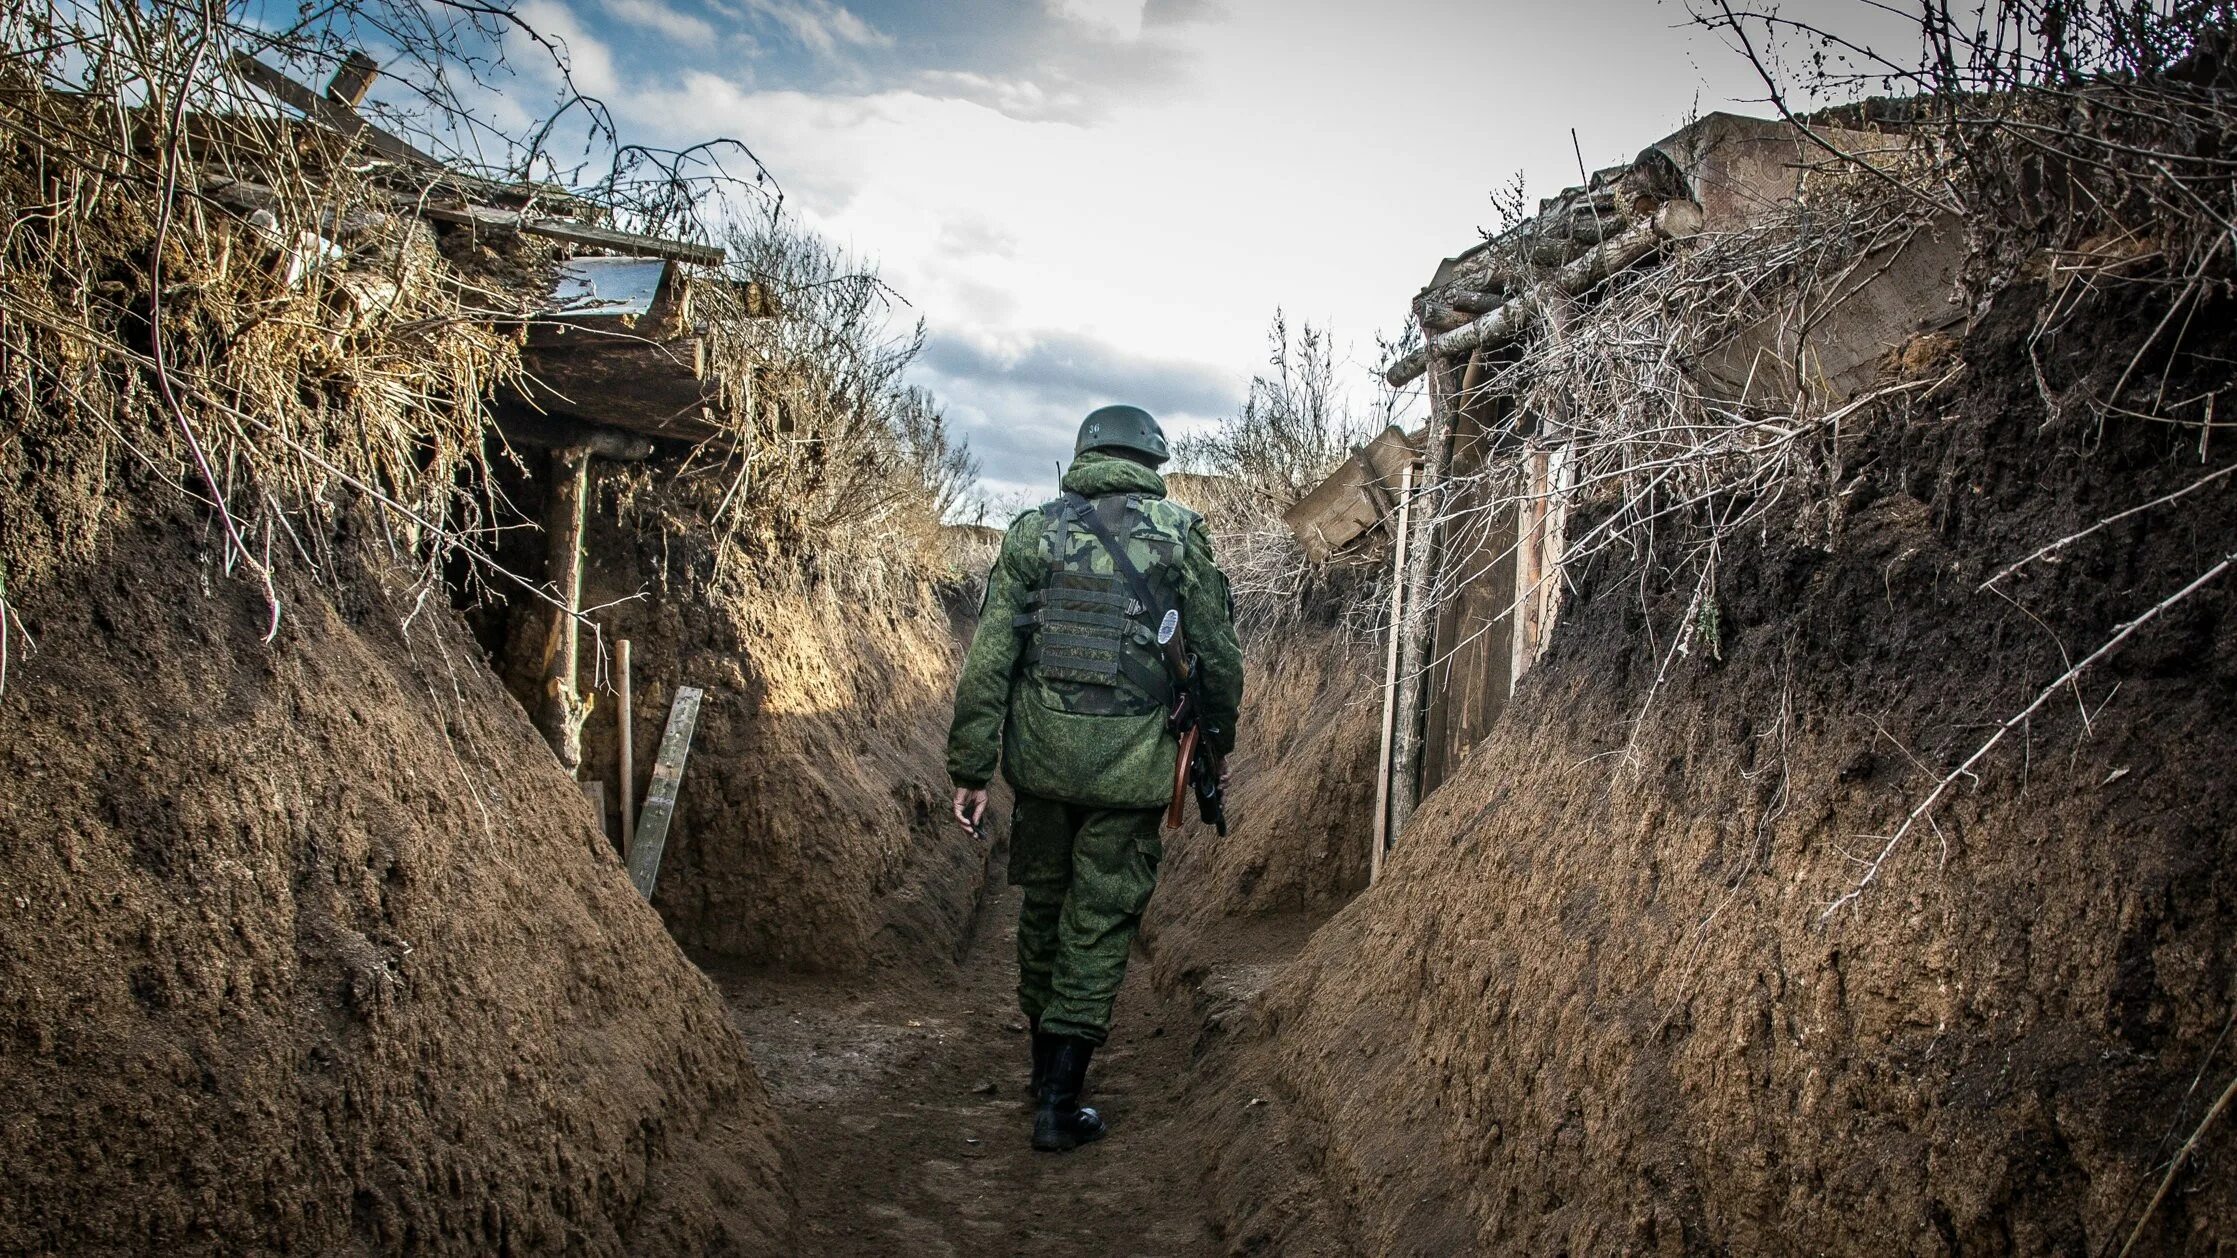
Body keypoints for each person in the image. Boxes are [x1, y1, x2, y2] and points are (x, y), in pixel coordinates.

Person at [945, 403, 1244, 1153]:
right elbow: (1219, 656)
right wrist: (1216, 744)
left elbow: (988, 663)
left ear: (1083, 454)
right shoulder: (1180, 536)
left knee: (1042, 910)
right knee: (1100, 921)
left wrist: (971, 768)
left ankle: (1039, 1071)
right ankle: (1059, 1101)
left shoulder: (1030, 532)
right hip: (1133, 770)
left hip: (1040, 768)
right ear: (1152, 459)